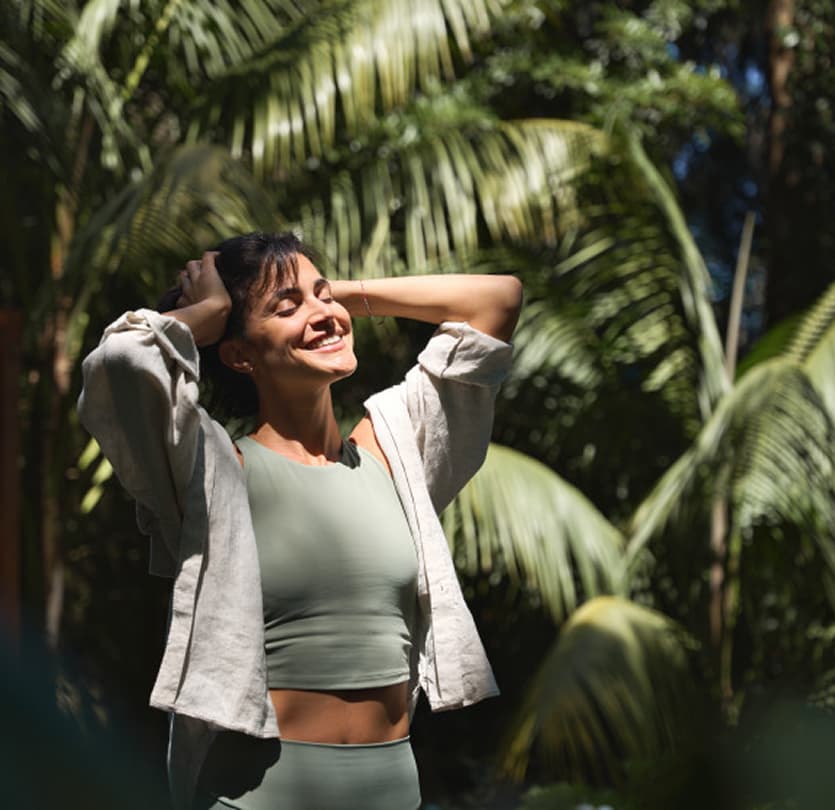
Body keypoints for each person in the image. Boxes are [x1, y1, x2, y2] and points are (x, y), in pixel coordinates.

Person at [78, 232, 522, 810]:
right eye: (285, 309)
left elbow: (497, 301)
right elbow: (119, 364)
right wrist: (211, 310)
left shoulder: (395, 446)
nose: (321, 316)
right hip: (258, 794)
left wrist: (335, 298)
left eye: (322, 295)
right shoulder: (214, 467)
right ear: (238, 354)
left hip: (393, 790)